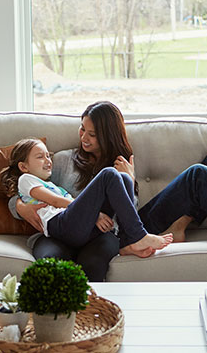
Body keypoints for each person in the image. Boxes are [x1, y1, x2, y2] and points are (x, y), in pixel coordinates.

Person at [9, 101, 145, 281]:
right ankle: (56, 309)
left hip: (100, 236)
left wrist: (130, 179)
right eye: (82, 130)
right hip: (59, 233)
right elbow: (26, 186)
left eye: (92, 134)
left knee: (93, 264)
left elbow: (127, 215)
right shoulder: (64, 160)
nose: (84, 138)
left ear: (108, 136)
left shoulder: (121, 168)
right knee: (50, 262)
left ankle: (92, 309)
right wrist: (20, 207)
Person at [0, 138, 172, 258]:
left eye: (48, 155)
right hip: (60, 225)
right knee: (109, 174)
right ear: (23, 166)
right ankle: (138, 235)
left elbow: (73, 204)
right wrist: (94, 213)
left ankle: (129, 243)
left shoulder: (54, 186)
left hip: (80, 229)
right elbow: (56, 201)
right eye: (40, 157)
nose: (48, 160)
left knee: (124, 178)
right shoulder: (27, 179)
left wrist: (130, 181)